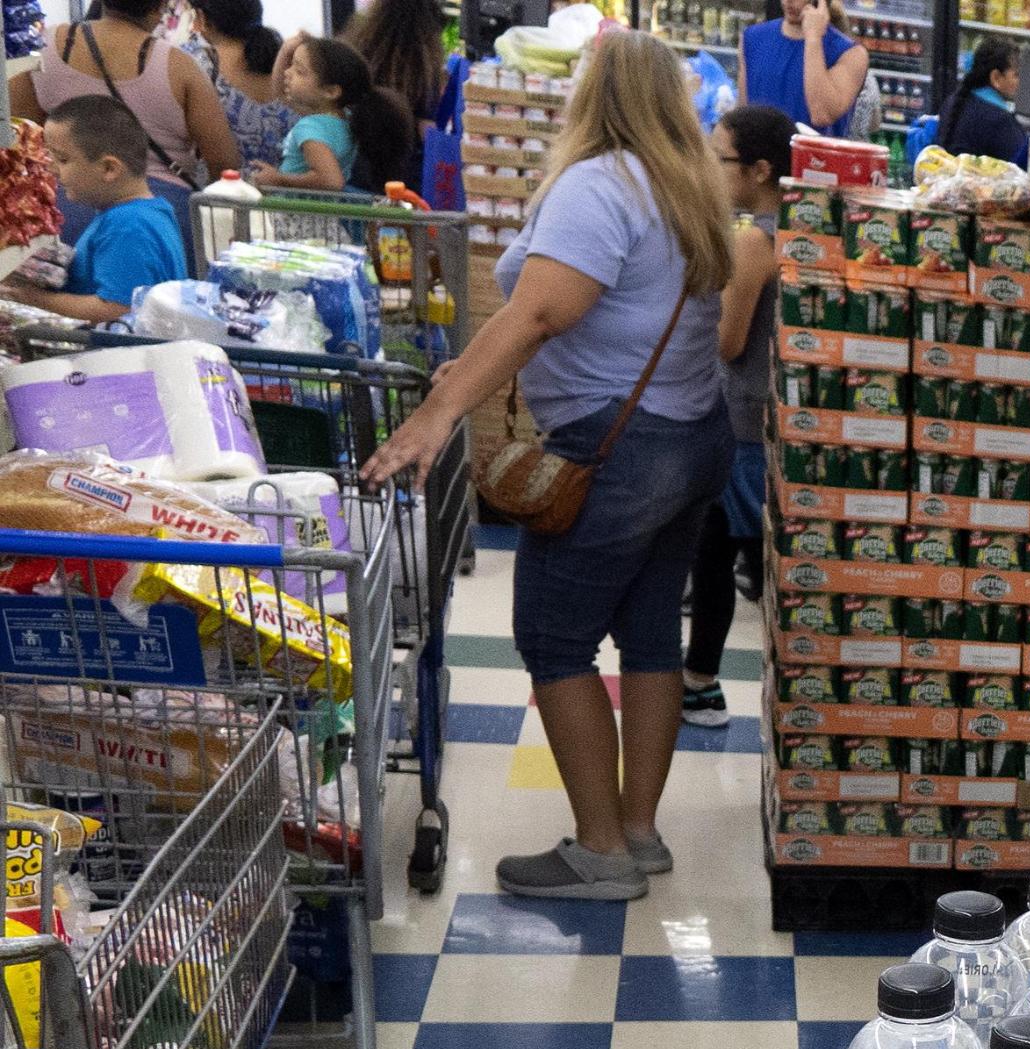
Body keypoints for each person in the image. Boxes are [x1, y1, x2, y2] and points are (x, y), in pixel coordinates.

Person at [363, 33, 732, 902]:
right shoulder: (691, 189)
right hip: (691, 436)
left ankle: (599, 851)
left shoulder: (600, 184)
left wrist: (434, 417)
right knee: (649, 637)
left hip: (617, 447)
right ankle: (637, 832)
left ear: (587, 98)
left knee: (555, 639)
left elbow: (537, 316)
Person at [684, 102, 789, 728]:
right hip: (773, 419)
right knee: (739, 555)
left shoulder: (754, 243)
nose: (710, 168)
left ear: (758, 170)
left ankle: (701, 683)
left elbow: (728, 342)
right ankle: (702, 683)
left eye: (719, 157)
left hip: (742, 425)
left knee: (722, 555)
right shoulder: (804, 229)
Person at [10, 0, 239, 187]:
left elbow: (21, 135)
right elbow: (224, 162)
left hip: (67, 203)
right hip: (160, 202)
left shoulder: (42, 47)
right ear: (160, 7)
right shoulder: (181, 67)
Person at [5, 97, 185, 322]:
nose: (51, 168)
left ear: (109, 168)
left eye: (62, 159)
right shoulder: (142, 212)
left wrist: (31, 297)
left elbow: (117, 309)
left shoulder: (129, 224)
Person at [252, 35, 413, 194]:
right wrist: (287, 50)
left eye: (299, 71)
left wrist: (279, 179)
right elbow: (281, 92)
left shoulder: (310, 127)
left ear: (330, 91)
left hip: (298, 216)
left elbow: (331, 181)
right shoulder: (343, 118)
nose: (287, 72)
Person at [184, 0, 290, 177]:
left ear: (202, 18)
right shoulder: (293, 67)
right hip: (279, 195)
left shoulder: (191, 60)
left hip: (212, 192)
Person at [740, 0, 866, 138]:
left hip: (813, 158)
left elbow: (821, 113)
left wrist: (813, 38)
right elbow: (743, 116)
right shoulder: (752, 38)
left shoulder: (851, 54)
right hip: (760, 155)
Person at [340, 0, 446, 133]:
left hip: (356, 137)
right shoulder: (422, 70)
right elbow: (426, 124)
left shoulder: (359, 46)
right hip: (400, 145)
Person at [935, 36, 1030, 161]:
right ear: (996, 77)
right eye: (1016, 75)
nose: (1019, 81)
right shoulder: (1000, 121)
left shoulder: (952, 102)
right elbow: (1023, 167)